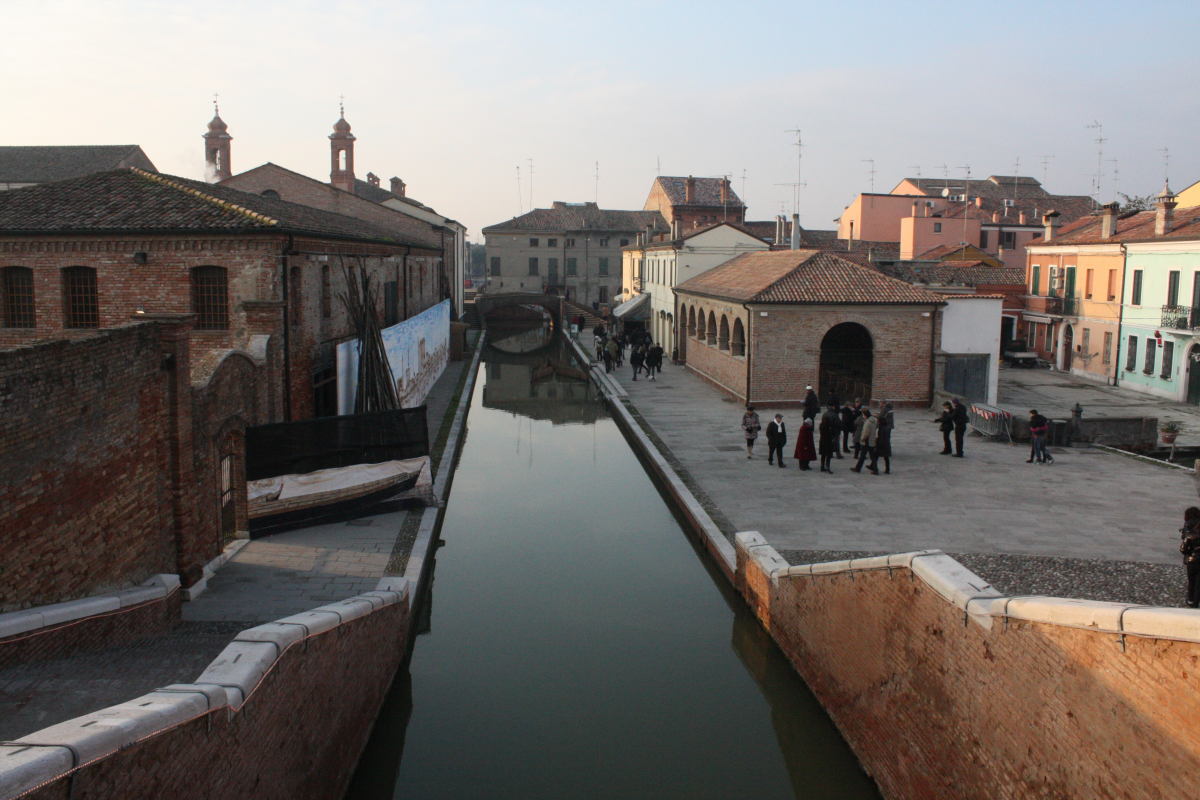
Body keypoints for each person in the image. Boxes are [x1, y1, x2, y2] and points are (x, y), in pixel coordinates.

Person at [1182, 507, 1200, 608]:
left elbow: (1184, 545)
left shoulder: (1188, 524)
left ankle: (1191, 600)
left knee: (1192, 581)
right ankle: (1196, 602)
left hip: (1192, 558)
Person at [851, 408, 879, 474]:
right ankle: (874, 469)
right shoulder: (874, 420)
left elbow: (866, 433)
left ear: (865, 415)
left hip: (866, 441)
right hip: (872, 440)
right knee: (872, 456)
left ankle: (858, 468)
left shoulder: (867, 423)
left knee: (863, 456)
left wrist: (862, 439)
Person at [818, 404, 840, 473]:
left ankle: (822, 466)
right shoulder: (834, 416)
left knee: (823, 455)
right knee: (829, 455)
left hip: (822, 441)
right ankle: (827, 467)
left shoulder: (822, 425)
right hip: (829, 442)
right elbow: (838, 425)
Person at [874, 401, 894, 474]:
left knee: (875, 456)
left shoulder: (882, 429)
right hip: (887, 445)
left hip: (882, 445)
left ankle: (875, 469)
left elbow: (881, 437)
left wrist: (877, 442)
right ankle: (887, 470)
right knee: (886, 458)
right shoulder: (889, 409)